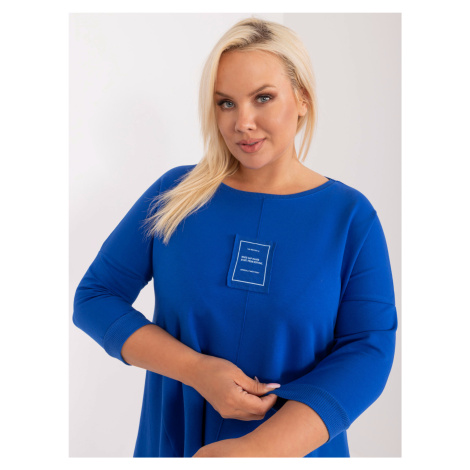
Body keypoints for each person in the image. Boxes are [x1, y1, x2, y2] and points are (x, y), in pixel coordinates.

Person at [73, 17, 397, 458]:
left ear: (302, 98)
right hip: (174, 446)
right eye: (226, 103)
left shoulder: (349, 217)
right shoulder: (175, 195)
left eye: (263, 98)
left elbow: (369, 350)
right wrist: (196, 370)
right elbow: (95, 297)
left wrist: (257, 451)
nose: (243, 122)